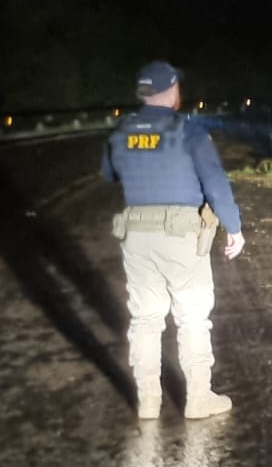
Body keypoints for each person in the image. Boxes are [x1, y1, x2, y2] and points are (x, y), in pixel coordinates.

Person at [100, 60, 245, 419]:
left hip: (136, 236)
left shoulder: (122, 132)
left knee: (146, 320)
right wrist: (234, 227)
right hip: (180, 236)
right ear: (173, 91)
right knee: (193, 317)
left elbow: (109, 173)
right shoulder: (188, 131)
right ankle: (198, 398)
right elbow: (214, 181)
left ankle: (148, 401)